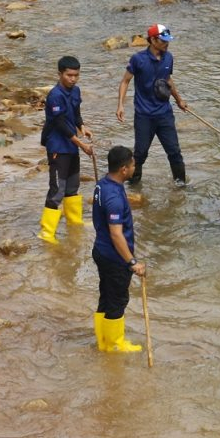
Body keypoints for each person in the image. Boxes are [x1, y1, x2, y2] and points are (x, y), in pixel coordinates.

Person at [116, 23, 189, 186]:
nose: (167, 43)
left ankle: (181, 185)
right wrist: (120, 105)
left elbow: (168, 80)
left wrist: (179, 100)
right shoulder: (138, 59)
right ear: (153, 40)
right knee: (140, 154)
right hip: (144, 116)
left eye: (168, 40)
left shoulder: (168, 57)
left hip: (164, 114)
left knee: (174, 152)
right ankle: (134, 186)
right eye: (163, 40)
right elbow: (125, 81)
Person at [92, 145, 147, 353]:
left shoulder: (102, 184)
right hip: (114, 256)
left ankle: (103, 341)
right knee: (117, 300)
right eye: (133, 165)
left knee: (106, 296)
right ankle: (115, 345)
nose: (135, 168)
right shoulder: (114, 197)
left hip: (101, 250)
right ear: (123, 169)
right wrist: (132, 262)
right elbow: (116, 234)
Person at [38, 56, 94, 244]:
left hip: (72, 146)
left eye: (76, 75)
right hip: (58, 147)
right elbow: (61, 124)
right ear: (60, 74)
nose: (73, 79)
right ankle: (46, 232)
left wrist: (83, 126)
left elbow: (75, 114)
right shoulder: (55, 95)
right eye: (69, 75)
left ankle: (74, 221)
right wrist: (81, 144)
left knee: (72, 185)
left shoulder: (75, 91)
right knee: (57, 189)